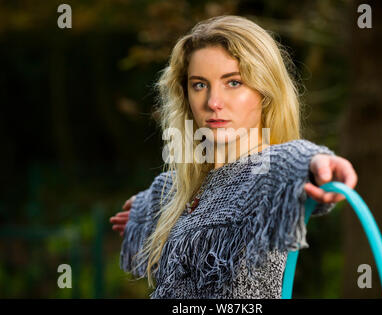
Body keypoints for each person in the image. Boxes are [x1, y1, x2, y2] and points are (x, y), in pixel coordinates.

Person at [110, 15, 357, 299]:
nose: (213, 102)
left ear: (264, 91)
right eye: (199, 85)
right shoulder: (181, 187)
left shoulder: (267, 173)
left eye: (234, 82)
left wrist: (319, 164)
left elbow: (289, 160)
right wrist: (143, 212)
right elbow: (166, 194)